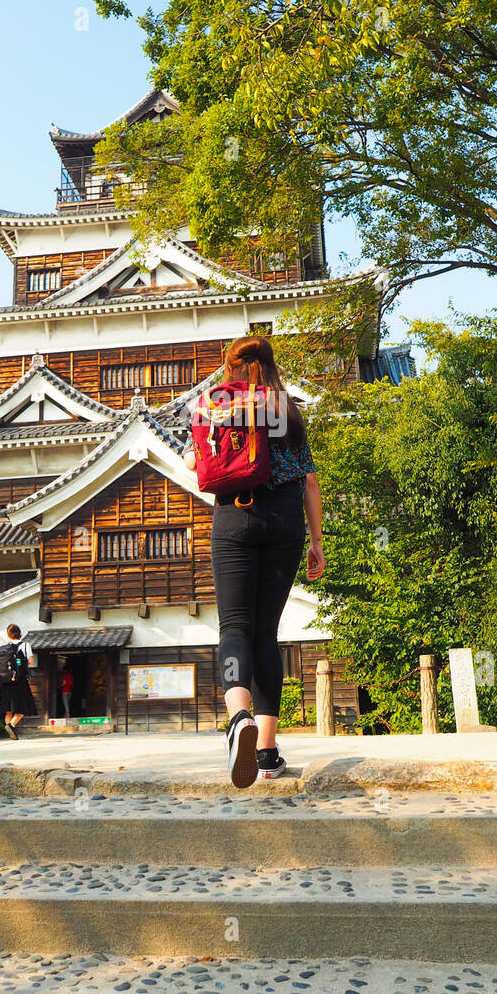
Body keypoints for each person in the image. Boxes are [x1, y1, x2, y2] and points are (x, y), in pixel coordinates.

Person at [183, 334, 325, 788]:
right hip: (285, 522)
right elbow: (309, 482)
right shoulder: (286, 409)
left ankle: (237, 718)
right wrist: (317, 542)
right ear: (270, 364)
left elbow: (197, 462)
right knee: (267, 632)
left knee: (235, 627)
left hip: (234, 518)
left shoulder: (216, 404)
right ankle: (266, 751)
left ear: (232, 367)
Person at [0, 624, 36, 740]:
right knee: (23, 706)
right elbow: (31, 661)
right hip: (19, 680)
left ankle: (10, 730)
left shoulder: (3, 648)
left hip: (4, 681)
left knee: (8, 709)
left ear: (8, 634)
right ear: (19, 633)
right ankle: (11, 726)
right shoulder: (25, 645)